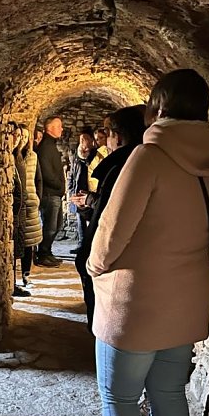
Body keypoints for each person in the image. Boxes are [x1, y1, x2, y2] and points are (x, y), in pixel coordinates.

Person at [86, 69, 209, 416]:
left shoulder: (148, 157)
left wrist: (94, 267)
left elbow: (111, 234)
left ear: (158, 107)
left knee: (120, 398)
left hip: (134, 304)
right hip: (187, 299)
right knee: (169, 394)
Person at [72, 107, 146, 330]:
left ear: (118, 137)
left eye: (108, 132)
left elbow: (111, 221)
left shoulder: (121, 166)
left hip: (116, 271)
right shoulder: (140, 161)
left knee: (105, 323)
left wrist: (91, 262)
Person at [36, 115, 65, 267]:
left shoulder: (50, 145)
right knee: (50, 227)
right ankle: (42, 255)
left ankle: (47, 252)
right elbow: (46, 172)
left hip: (55, 194)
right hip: (50, 193)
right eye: (59, 126)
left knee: (57, 225)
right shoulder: (46, 147)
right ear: (50, 128)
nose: (62, 129)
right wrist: (59, 185)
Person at [19, 125, 43, 287]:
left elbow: (38, 178)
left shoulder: (32, 156)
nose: (23, 139)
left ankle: (26, 273)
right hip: (19, 203)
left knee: (29, 241)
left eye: (26, 137)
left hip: (31, 203)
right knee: (19, 240)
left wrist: (37, 197)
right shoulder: (12, 157)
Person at [67, 128, 96, 250]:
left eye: (85, 139)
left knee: (92, 220)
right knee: (80, 220)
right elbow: (72, 173)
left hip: (90, 193)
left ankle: (91, 246)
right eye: (81, 139)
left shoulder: (95, 154)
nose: (82, 141)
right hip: (78, 191)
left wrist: (86, 157)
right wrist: (70, 190)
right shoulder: (76, 155)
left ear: (91, 141)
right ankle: (81, 245)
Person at [10, 123, 30, 297]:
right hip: (14, 211)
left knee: (16, 248)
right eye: (15, 135)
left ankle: (12, 284)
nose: (19, 139)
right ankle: (11, 284)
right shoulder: (11, 158)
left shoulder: (18, 157)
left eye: (22, 136)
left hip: (19, 210)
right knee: (12, 249)